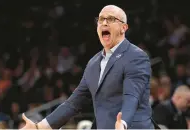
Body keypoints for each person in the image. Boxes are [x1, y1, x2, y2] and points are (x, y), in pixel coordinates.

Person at [21, 5, 154, 129]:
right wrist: (39, 127)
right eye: (101, 19)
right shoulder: (93, 63)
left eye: (111, 19)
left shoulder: (136, 56)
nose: (104, 23)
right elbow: (74, 103)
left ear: (123, 28)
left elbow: (132, 96)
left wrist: (123, 123)